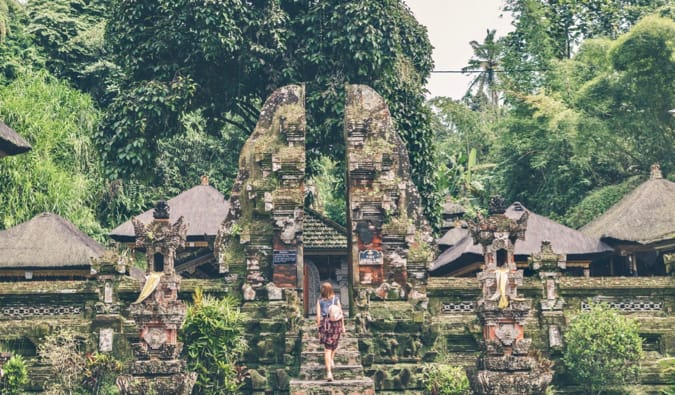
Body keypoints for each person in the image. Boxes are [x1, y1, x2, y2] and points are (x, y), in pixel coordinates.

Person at [316, 282, 345, 382]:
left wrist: (319, 329)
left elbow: (318, 316)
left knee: (327, 348)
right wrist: (343, 326)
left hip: (326, 325)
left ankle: (329, 371)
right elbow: (341, 313)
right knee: (334, 345)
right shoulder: (336, 299)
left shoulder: (320, 301)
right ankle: (330, 363)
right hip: (336, 324)